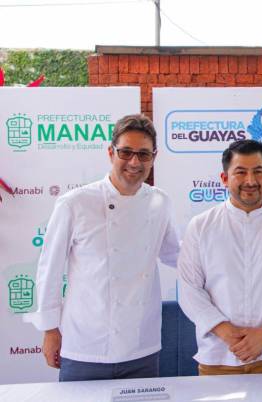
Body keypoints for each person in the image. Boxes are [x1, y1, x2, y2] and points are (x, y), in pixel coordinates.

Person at [24, 114, 179, 381]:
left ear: (154, 157)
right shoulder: (75, 203)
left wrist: (216, 255)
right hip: (85, 347)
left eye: (143, 154)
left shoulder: (160, 202)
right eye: (126, 152)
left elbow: (174, 254)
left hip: (141, 346)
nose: (134, 162)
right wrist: (50, 330)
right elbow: (49, 268)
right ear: (111, 152)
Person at [178, 139, 262, 375]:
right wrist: (228, 334)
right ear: (225, 178)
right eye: (241, 172)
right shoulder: (201, 226)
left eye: (258, 172)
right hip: (218, 358)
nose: (250, 181)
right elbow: (189, 290)